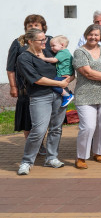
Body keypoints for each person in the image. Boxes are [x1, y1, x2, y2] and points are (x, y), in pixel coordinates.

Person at [15, 28, 71, 175]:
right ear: (30, 41)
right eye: (41, 40)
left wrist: (69, 78)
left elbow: (66, 65)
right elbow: (37, 79)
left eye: (45, 39)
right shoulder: (24, 58)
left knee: (56, 128)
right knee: (38, 130)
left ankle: (51, 158)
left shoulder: (49, 52)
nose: (44, 42)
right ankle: (26, 162)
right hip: (40, 96)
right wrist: (59, 84)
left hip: (58, 95)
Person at [73, 25, 101, 169]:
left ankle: (99, 152)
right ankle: (81, 157)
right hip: (85, 94)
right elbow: (87, 72)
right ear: (85, 35)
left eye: (96, 35)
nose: (93, 37)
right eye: (90, 34)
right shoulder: (79, 52)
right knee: (88, 127)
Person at [39, 35, 74, 107]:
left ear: (62, 45)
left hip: (64, 74)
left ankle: (67, 96)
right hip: (65, 74)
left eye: (53, 46)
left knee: (54, 84)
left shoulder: (63, 52)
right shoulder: (64, 52)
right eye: (50, 46)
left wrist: (43, 58)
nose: (51, 48)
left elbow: (54, 60)